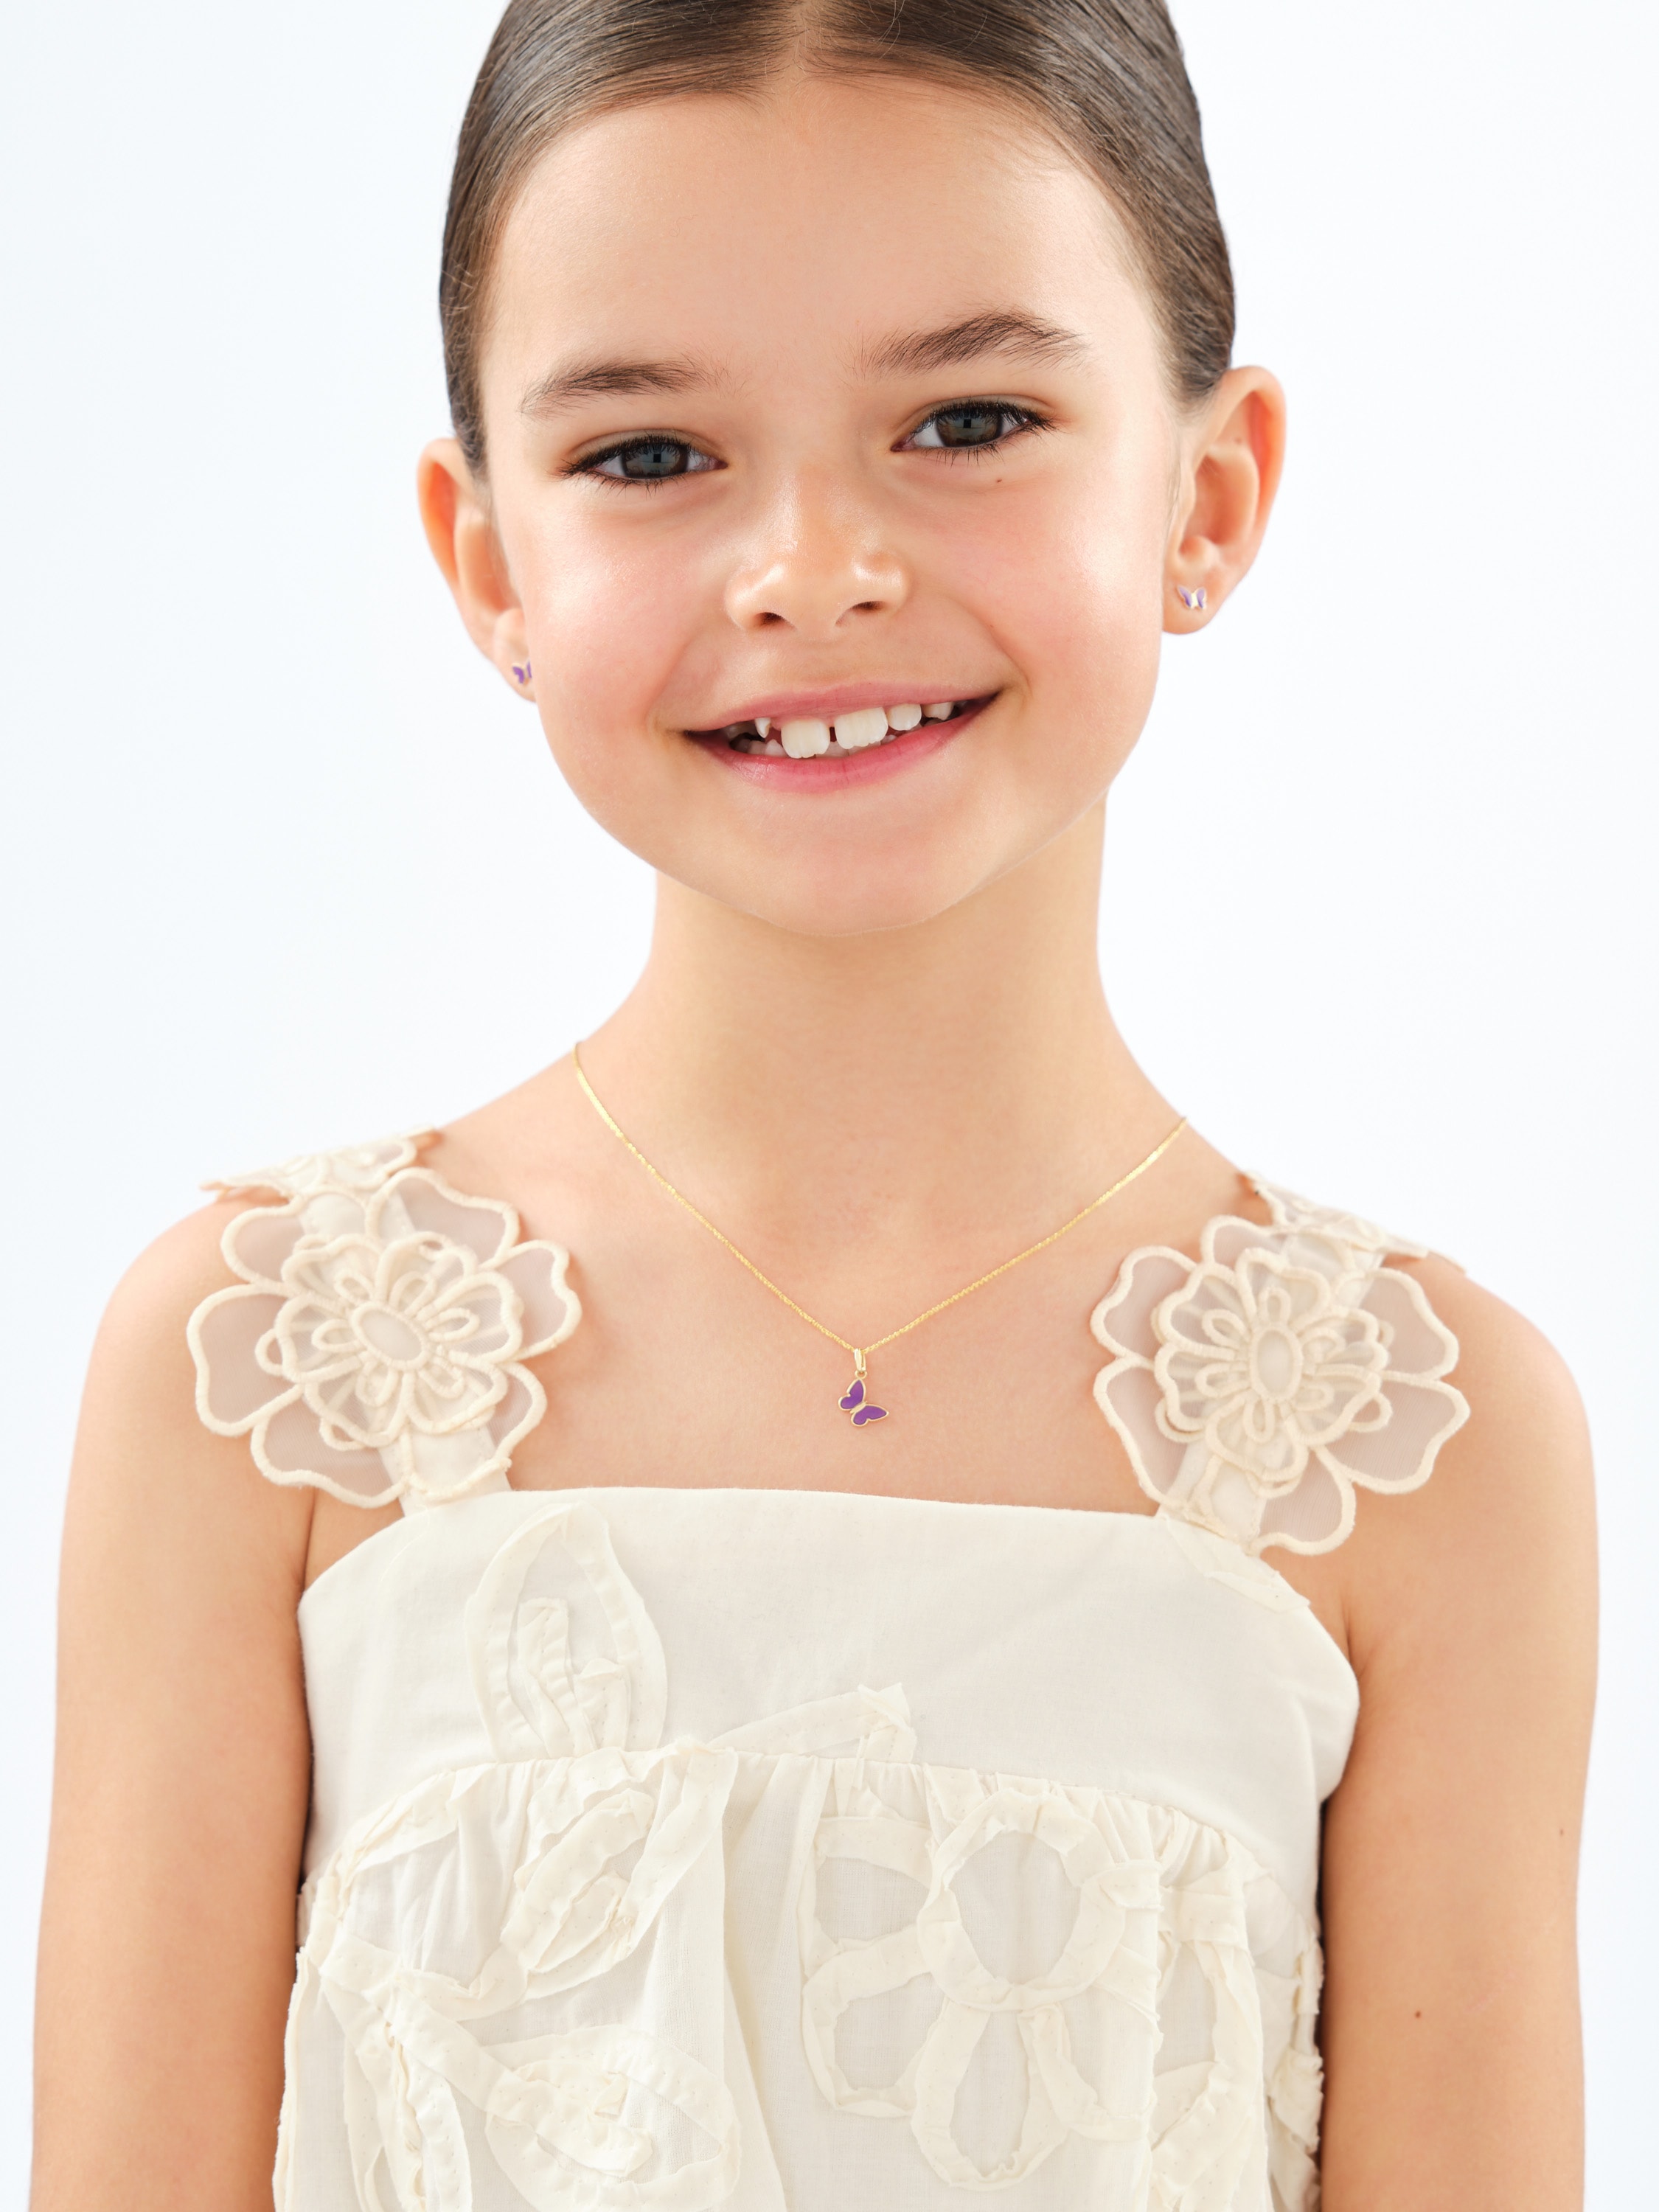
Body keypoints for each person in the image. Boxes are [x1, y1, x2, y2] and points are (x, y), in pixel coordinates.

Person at [32, 4, 1597, 2206]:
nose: (813, 568)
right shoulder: (264, 1373)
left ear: (1210, 492)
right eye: (648, 455)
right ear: (487, 560)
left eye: (968, 419)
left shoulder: (1418, 1438)